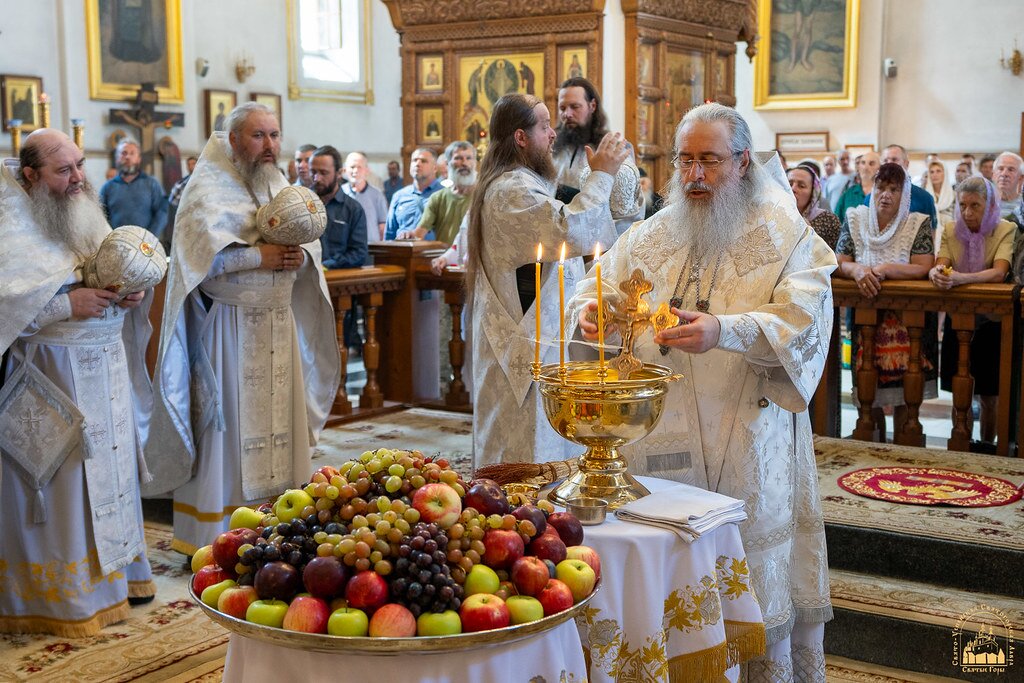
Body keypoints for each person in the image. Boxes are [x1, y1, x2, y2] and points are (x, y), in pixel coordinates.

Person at [573, 102, 835, 678]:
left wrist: (726, 330)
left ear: (742, 162)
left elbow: (806, 318)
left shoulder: (788, 237)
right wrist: (592, 313)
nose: (695, 174)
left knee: (746, 582)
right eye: (686, 160)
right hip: (657, 435)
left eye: (710, 161)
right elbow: (592, 287)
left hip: (745, 432)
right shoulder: (651, 233)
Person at [147, 103, 340, 556]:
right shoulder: (207, 191)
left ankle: (282, 528)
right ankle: (217, 535)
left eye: (274, 135)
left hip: (278, 324)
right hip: (230, 330)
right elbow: (198, 267)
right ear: (233, 140)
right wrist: (260, 256)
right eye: (259, 136)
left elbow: (305, 243)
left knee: (282, 428)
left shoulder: (278, 184)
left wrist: (299, 257)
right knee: (227, 428)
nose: (270, 145)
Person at [0, 129, 156, 636]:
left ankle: (118, 581)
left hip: (104, 367)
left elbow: (103, 269)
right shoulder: (10, 227)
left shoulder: (81, 211)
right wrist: (68, 304)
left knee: (110, 468)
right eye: (63, 170)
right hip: (49, 380)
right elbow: (6, 309)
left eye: (80, 165)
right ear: (31, 176)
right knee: (66, 482)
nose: (77, 179)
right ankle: (63, 600)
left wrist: (126, 292)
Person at [469, 93, 627, 468]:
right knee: (525, 455)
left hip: (541, 340)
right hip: (524, 347)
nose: (553, 133)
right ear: (521, 137)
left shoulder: (526, 184)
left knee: (551, 446)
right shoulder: (510, 190)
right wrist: (602, 173)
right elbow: (570, 229)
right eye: (544, 125)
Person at [836, 163, 936, 441]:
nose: (885, 195)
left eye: (894, 189)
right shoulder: (855, 218)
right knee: (868, 388)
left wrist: (888, 269)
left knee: (906, 391)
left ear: (905, 195)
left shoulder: (917, 222)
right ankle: (872, 443)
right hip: (867, 319)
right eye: (881, 187)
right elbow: (840, 260)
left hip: (907, 322)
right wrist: (856, 270)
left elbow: (924, 264)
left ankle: (905, 447)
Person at [930, 177, 1013, 444]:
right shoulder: (951, 229)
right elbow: (942, 264)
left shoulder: (1005, 229)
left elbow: (999, 272)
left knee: (990, 395)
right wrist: (937, 273)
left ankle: (987, 445)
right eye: (963, 205)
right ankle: (960, 442)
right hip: (959, 319)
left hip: (991, 322)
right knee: (959, 393)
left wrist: (960, 279)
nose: (967, 212)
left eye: (975, 205)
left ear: (989, 206)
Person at [552, 78, 642, 235]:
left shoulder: (612, 147)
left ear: (592, 106)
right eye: (562, 108)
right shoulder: (552, 147)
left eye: (575, 107)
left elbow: (623, 203)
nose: (567, 114)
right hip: (561, 231)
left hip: (600, 235)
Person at [398, 141, 477, 244]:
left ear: (475, 162)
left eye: (469, 158)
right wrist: (408, 235)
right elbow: (420, 233)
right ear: (448, 164)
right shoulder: (437, 198)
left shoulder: (484, 196)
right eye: (458, 158)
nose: (464, 163)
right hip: (444, 259)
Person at [312, 146, 368, 270]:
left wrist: (327, 265)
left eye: (323, 173)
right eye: (313, 172)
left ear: (339, 173)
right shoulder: (302, 204)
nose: (317, 178)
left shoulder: (353, 209)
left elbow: (358, 253)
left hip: (337, 278)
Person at [99, 138, 167, 238]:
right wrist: (111, 238)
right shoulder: (108, 187)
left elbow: (161, 213)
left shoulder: (152, 183)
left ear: (138, 158)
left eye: (132, 153)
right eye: (124, 153)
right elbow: (101, 217)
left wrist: (148, 237)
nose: (128, 157)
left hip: (145, 244)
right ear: (117, 158)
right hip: (116, 244)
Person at [862, 145, 937, 228]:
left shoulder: (924, 198)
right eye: (885, 160)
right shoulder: (870, 198)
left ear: (906, 164)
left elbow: (931, 232)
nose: (889, 163)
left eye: (894, 159)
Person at [385, 148, 443, 240]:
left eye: (423, 161)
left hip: (434, 252)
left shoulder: (444, 194)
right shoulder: (399, 196)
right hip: (403, 251)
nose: (417, 164)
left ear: (435, 168)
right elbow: (390, 233)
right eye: (414, 160)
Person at [788, 164, 841, 249]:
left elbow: (834, 258)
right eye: (789, 184)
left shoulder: (829, 220)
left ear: (813, 193)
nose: (793, 189)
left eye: (801, 186)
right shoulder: (773, 218)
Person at [342, 152, 389, 243]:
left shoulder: (377, 195)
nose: (355, 171)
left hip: (370, 248)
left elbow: (383, 227)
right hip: (344, 249)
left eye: (359, 167)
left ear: (367, 170)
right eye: (352, 167)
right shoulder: (339, 193)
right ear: (345, 170)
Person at [834, 150, 879, 224]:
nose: (866, 167)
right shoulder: (848, 193)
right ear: (858, 168)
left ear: (879, 168)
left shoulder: (883, 194)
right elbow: (837, 221)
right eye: (863, 163)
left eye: (871, 163)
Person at [164, 155, 199, 248]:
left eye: (194, 163)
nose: (191, 166)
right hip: (187, 220)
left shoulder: (206, 180)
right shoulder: (181, 184)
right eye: (189, 164)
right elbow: (172, 202)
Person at [993, 152, 1023, 226]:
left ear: (1021, 178)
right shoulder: (981, 202)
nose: (1004, 174)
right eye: (1000, 169)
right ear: (993, 175)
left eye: (1011, 170)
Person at [920, 159, 954, 224]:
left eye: (938, 171)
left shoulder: (954, 195)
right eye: (931, 172)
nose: (934, 175)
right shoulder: (923, 196)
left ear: (945, 173)